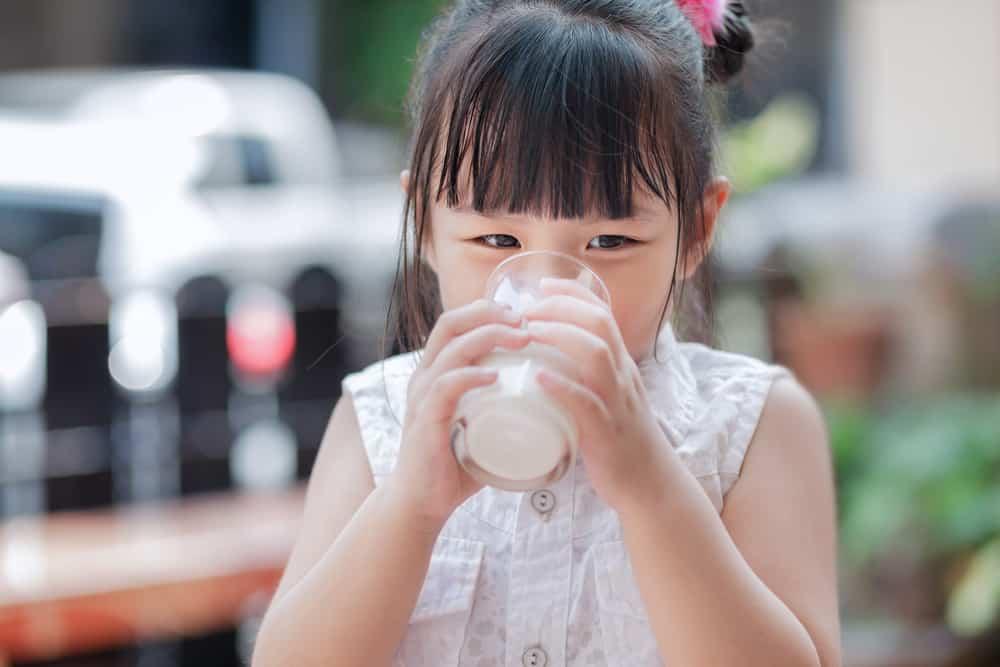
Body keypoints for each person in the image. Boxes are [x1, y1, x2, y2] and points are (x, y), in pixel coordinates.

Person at [252, 1, 841, 665]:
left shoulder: (752, 425)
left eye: (611, 240)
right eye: (497, 238)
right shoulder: (380, 423)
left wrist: (651, 487)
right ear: (423, 223)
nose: (551, 286)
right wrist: (411, 501)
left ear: (695, 233)